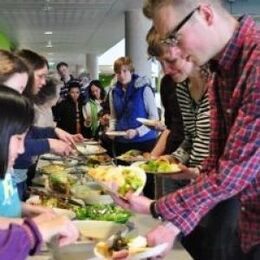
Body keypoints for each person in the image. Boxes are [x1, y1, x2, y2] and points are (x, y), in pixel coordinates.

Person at [113, 1, 260, 259]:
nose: (172, 50)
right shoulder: (221, 72)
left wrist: (157, 208)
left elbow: (232, 173)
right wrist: (173, 226)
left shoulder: (256, 64)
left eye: (173, 37)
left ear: (205, 14)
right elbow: (213, 167)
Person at [0, 86, 78, 259]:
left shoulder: (5, 169)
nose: (21, 150)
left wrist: (29, 213)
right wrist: (35, 230)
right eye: (19, 139)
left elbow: (5, 207)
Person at [11, 49, 83, 198]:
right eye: (40, 76)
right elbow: (14, 144)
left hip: (19, 175)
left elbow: (29, 133)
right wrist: (49, 143)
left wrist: (53, 131)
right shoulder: (11, 103)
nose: (44, 82)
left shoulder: (22, 103)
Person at [107, 56, 159, 199]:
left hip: (144, 142)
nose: (122, 75)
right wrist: (111, 129)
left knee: (145, 182)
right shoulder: (113, 91)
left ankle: (149, 216)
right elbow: (114, 116)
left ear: (131, 71)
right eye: (118, 72)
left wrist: (137, 131)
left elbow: (154, 118)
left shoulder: (144, 89)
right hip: (122, 143)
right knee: (125, 183)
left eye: (125, 71)